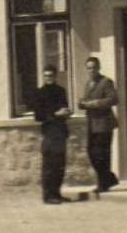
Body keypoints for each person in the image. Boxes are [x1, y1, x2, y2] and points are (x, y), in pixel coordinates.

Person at [80, 56, 120, 192]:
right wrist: (82, 103)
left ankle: (103, 184)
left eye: (94, 68)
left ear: (99, 68)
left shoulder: (106, 82)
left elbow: (113, 99)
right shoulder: (88, 84)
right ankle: (110, 178)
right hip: (91, 124)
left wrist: (95, 103)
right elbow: (85, 99)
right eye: (89, 68)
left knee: (102, 154)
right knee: (91, 153)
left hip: (104, 123)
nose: (91, 70)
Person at [32, 66, 72, 204]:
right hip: (49, 132)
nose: (49, 78)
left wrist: (67, 112)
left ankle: (57, 193)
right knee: (49, 165)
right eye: (46, 76)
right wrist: (55, 114)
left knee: (60, 164)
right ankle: (48, 196)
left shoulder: (61, 91)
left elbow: (65, 107)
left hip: (60, 131)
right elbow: (38, 116)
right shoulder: (39, 93)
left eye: (51, 75)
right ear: (43, 77)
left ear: (55, 76)